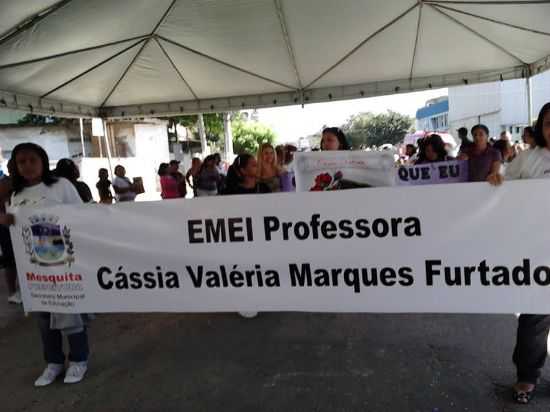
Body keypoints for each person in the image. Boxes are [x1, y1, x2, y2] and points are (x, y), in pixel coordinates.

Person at [0, 143, 91, 386]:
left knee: (70, 313)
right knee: (43, 317)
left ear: (43, 160)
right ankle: (54, 362)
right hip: (34, 268)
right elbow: (18, 230)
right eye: (21, 162)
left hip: (64, 264)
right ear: (15, 167)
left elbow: (82, 216)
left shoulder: (61, 186)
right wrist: (7, 220)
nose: (27, 166)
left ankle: (79, 360)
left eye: (32, 160)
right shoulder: (16, 195)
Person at [488, 103, 550, 404]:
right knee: (534, 321)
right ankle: (527, 377)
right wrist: (497, 180)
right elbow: (503, 189)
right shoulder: (528, 159)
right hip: (537, 252)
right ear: (541, 127)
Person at [223, 154, 271, 318]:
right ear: (242, 170)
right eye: (252, 165)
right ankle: (244, 301)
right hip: (240, 240)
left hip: (261, 238)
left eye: (257, 164)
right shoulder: (229, 192)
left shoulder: (264, 188)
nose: (257, 167)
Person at [0, 160, 19, 304]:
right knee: (10, 260)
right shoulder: (4, 183)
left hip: (23, 226)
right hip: (6, 228)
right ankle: (13, 292)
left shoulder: (24, 183)